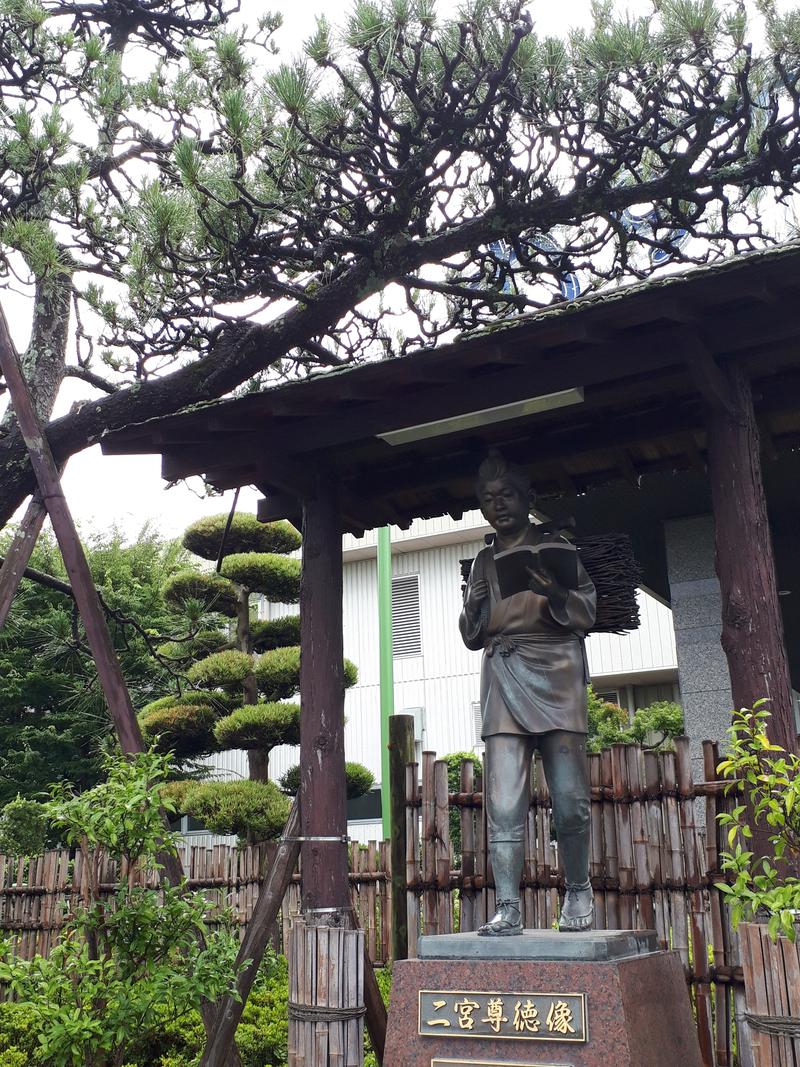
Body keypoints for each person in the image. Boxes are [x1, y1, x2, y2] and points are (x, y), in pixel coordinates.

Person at [459, 450, 597, 935]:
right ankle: (509, 905)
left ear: (526, 497)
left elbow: (587, 608)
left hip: (557, 672)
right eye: (488, 498)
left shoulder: (555, 547)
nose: (498, 506)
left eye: (507, 495)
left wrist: (554, 591)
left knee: (569, 795)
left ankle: (578, 888)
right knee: (502, 801)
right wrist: (471, 607)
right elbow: (472, 634)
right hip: (503, 671)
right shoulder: (483, 559)